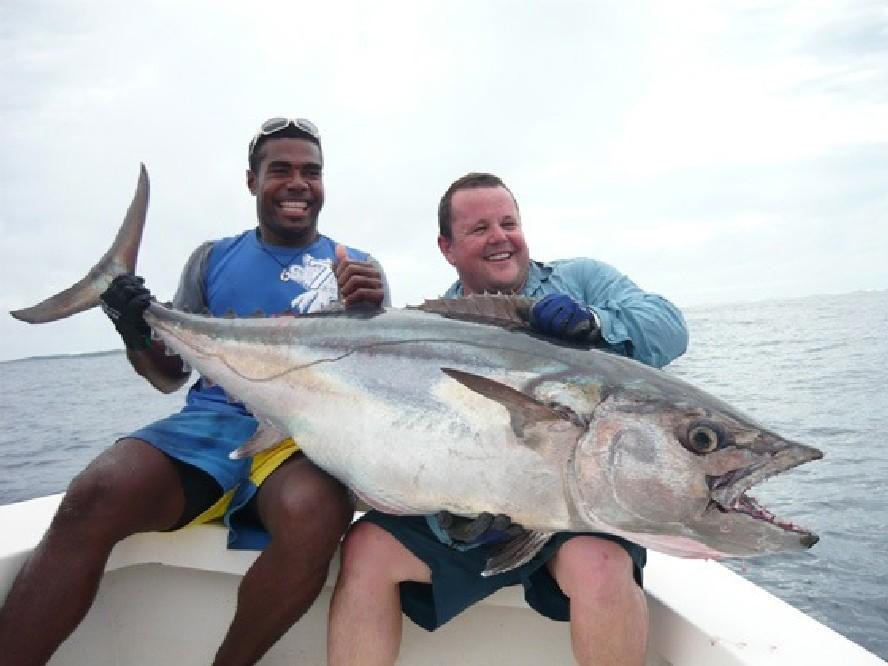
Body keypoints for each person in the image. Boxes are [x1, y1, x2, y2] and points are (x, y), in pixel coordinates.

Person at [0, 117, 390, 666]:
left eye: (312, 172)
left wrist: (371, 313)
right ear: (252, 181)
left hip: (303, 435)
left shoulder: (358, 267)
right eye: (280, 170)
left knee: (315, 515)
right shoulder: (211, 258)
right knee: (96, 491)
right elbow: (168, 377)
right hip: (210, 425)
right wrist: (135, 327)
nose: (298, 183)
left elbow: (378, 389)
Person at [327, 172, 688, 666]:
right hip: (483, 516)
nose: (499, 237)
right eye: (479, 229)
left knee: (602, 564)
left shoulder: (581, 279)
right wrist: (456, 516)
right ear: (447, 248)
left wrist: (594, 324)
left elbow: (669, 327)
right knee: (366, 549)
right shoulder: (435, 327)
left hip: (577, 506)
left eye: (508, 223)